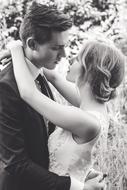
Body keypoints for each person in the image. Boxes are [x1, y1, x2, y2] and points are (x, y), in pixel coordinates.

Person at [0, 2, 105, 190]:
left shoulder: (40, 73)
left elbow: (46, 142)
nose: (64, 55)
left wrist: (79, 171)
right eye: (57, 48)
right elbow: (16, 163)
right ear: (32, 44)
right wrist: (77, 187)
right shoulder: (6, 86)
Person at [9, 39, 125, 189]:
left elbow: (28, 93)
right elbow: (54, 77)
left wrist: (16, 49)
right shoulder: (95, 108)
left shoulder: (85, 121)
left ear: (89, 71)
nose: (69, 59)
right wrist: (29, 53)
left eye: (77, 58)